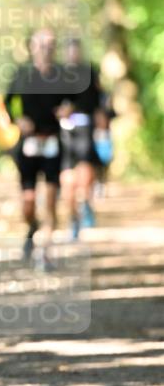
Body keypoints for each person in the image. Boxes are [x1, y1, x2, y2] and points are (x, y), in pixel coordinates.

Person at [4, 29, 65, 266]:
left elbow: (79, 100)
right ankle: (31, 228)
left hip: (52, 141)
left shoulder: (63, 75)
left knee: (50, 200)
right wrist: (17, 119)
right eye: (41, 45)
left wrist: (68, 109)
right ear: (31, 47)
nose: (45, 50)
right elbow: (7, 102)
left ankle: (46, 253)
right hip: (28, 143)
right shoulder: (22, 73)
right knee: (28, 202)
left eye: (50, 45)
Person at [58, 38, 106, 237]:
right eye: (70, 50)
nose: (73, 54)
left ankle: (86, 202)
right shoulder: (57, 74)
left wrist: (101, 120)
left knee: (86, 174)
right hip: (65, 132)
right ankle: (73, 218)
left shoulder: (89, 72)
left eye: (75, 50)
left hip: (85, 127)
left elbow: (99, 97)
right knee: (68, 181)